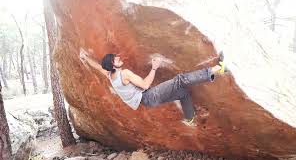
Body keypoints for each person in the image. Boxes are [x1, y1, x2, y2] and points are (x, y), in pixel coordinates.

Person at [80, 50, 226, 126]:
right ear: (113, 65)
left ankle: (189, 117)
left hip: (147, 101)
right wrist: (154, 68)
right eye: (115, 59)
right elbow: (145, 85)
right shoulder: (124, 74)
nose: (118, 58)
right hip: (149, 95)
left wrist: (85, 58)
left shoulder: (110, 75)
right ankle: (217, 69)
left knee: (183, 93)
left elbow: (100, 68)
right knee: (179, 80)